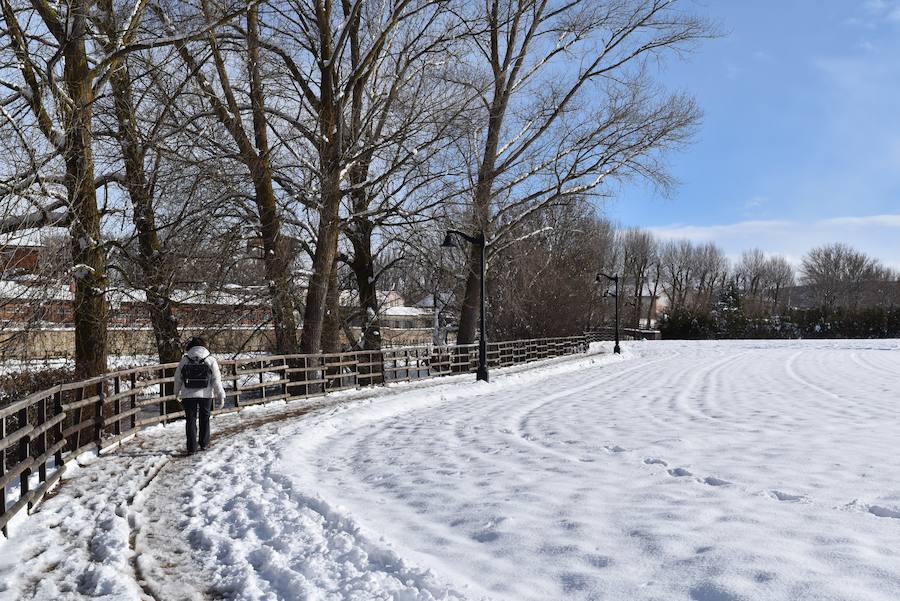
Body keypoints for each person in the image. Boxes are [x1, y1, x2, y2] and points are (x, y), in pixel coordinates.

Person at [173, 336, 225, 453]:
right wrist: (220, 395)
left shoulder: (185, 360)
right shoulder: (210, 359)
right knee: (204, 418)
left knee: (190, 420)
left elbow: (178, 378)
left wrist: (176, 392)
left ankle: (191, 447)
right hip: (205, 394)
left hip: (188, 394)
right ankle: (204, 443)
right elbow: (216, 380)